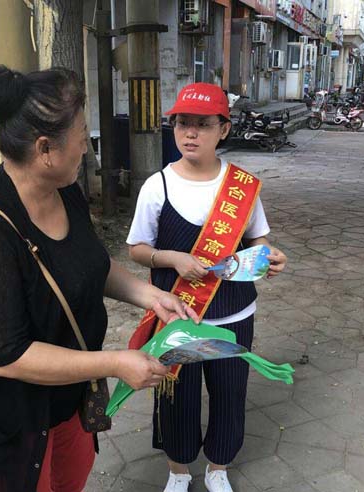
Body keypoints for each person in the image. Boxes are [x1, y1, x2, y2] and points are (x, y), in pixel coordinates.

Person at [0, 65, 199, 492]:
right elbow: (8, 357)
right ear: (45, 149)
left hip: (71, 398)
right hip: (17, 421)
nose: (85, 146)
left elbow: (89, 265)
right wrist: (115, 363)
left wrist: (152, 296)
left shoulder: (65, 192)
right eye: (81, 135)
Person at [126, 83, 287, 492]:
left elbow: (257, 238)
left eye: (203, 124)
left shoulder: (241, 187)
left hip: (235, 314)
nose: (190, 133)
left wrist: (269, 255)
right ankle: (178, 471)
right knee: (176, 396)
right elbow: (137, 249)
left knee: (230, 393)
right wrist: (173, 258)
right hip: (180, 315)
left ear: (224, 129)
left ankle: (219, 468)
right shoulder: (157, 186)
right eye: (183, 123)